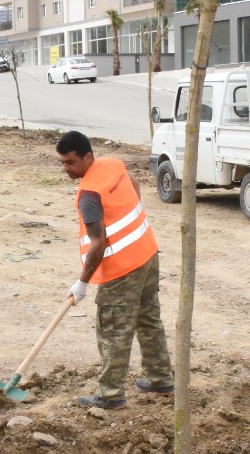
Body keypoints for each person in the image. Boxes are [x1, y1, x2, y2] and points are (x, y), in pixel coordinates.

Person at [55, 130, 173, 410]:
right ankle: (160, 378)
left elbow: (99, 243)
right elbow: (133, 184)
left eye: (70, 162)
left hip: (122, 270)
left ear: (87, 157)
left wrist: (82, 282)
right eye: (62, 163)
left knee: (113, 331)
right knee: (148, 319)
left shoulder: (88, 194)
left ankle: (110, 395)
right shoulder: (112, 165)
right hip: (146, 253)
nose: (66, 169)